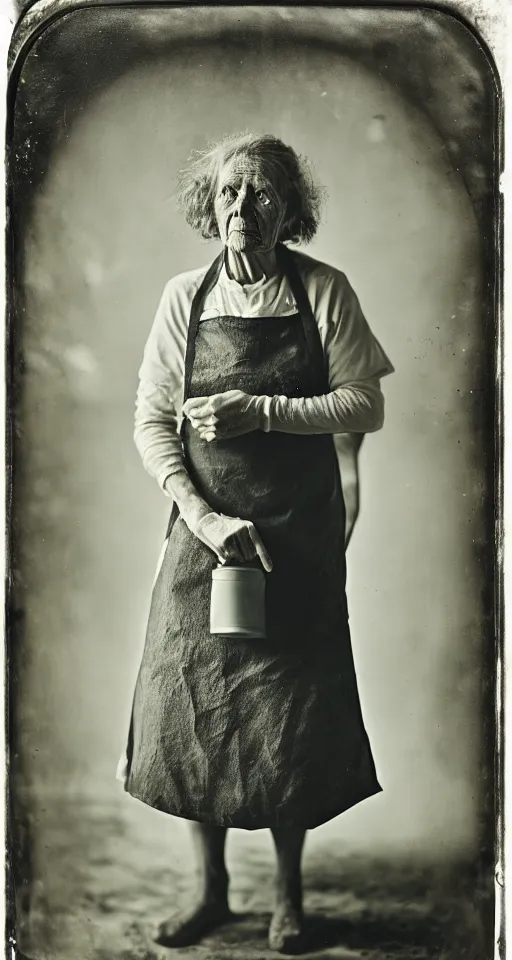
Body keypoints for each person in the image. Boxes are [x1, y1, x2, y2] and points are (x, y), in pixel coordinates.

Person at [120, 132, 394, 954]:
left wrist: (262, 410)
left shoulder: (323, 293)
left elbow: (363, 406)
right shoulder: (183, 298)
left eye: (264, 194)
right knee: (193, 705)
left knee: (290, 713)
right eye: (231, 193)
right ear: (210, 205)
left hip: (296, 537)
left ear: (291, 210)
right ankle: (209, 893)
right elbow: (150, 423)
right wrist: (202, 519)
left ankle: (288, 900)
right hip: (204, 537)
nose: (244, 209)